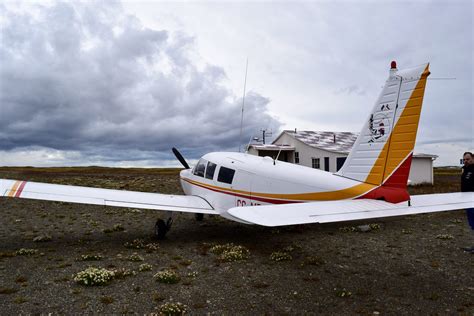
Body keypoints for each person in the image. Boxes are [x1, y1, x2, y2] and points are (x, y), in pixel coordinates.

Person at [461, 152, 474, 253]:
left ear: (473, 159)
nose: (466, 161)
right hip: (467, 201)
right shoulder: (465, 170)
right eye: (464, 159)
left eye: (468, 159)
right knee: (472, 224)